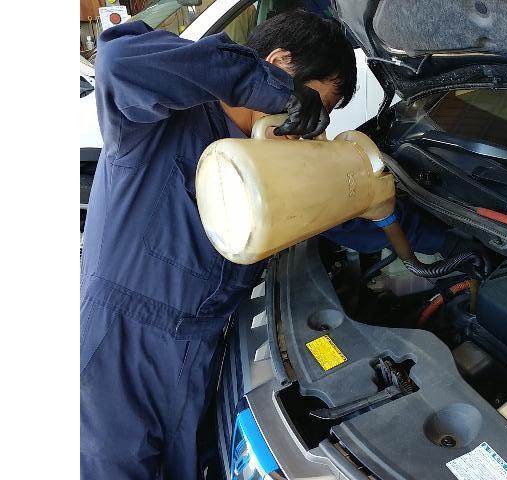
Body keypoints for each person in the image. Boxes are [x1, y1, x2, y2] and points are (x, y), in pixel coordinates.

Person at [80, 9, 448, 479]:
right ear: (278, 62)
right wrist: (274, 88)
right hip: (118, 356)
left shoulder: (274, 162)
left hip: (201, 361)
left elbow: (345, 216)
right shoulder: (157, 122)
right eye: (315, 105)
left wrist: (450, 235)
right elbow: (118, 63)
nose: (313, 127)